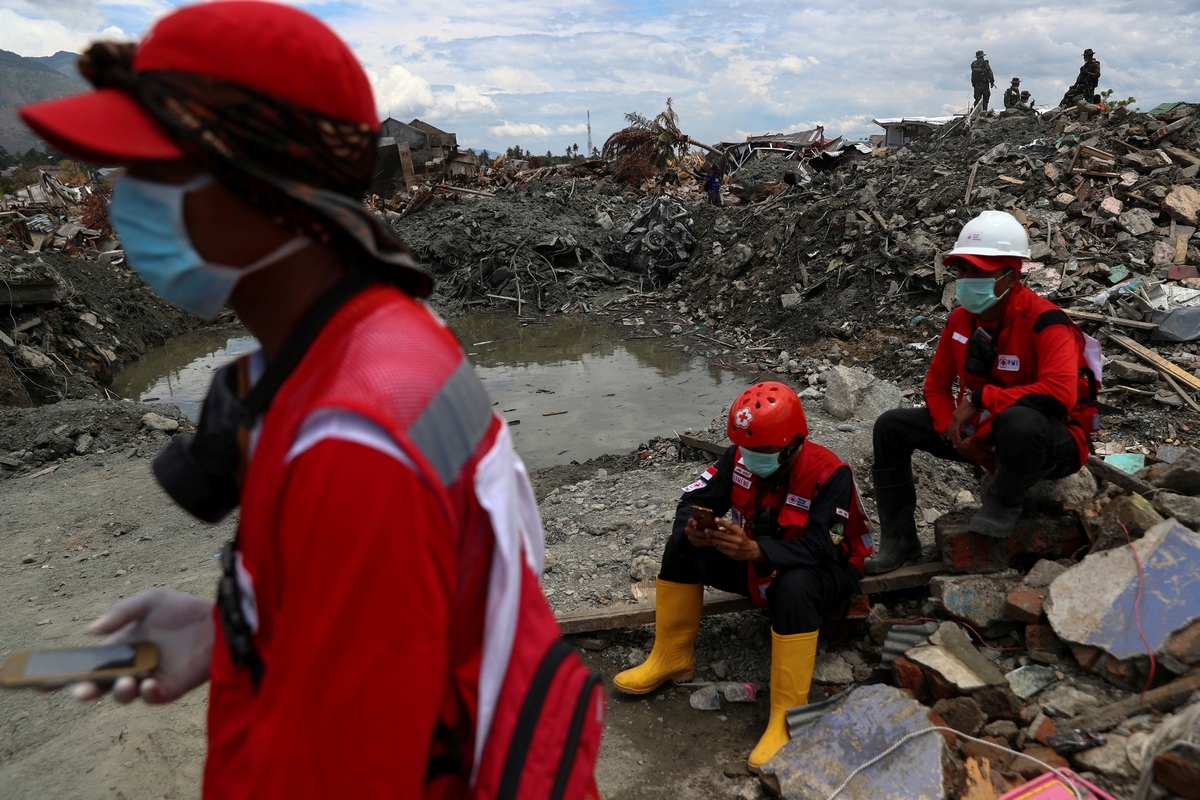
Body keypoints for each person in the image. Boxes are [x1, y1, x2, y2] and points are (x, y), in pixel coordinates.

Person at [19, 4, 599, 798]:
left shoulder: (349, 441)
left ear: (261, 190)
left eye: (151, 175)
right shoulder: (386, 336)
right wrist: (236, 630)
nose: (125, 206)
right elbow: (417, 602)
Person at [614, 382, 872, 770]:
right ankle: (672, 657)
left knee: (794, 584)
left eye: (764, 452)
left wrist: (759, 551)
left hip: (824, 572)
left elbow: (825, 548)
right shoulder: (738, 458)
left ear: (794, 443)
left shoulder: (828, 473)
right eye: (747, 450)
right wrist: (694, 528)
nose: (752, 460)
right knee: (682, 545)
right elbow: (692, 500)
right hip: (757, 561)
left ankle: (786, 715)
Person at [864, 211, 1095, 575]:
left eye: (977, 272)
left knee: (1020, 421)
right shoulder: (961, 320)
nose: (965, 281)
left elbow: (1060, 394)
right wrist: (951, 435)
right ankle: (899, 541)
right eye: (962, 271)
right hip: (980, 436)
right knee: (891, 426)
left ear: (1011, 278)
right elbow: (937, 386)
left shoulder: (1046, 322)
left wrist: (980, 400)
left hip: (1050, 442)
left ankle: (1003, 502)